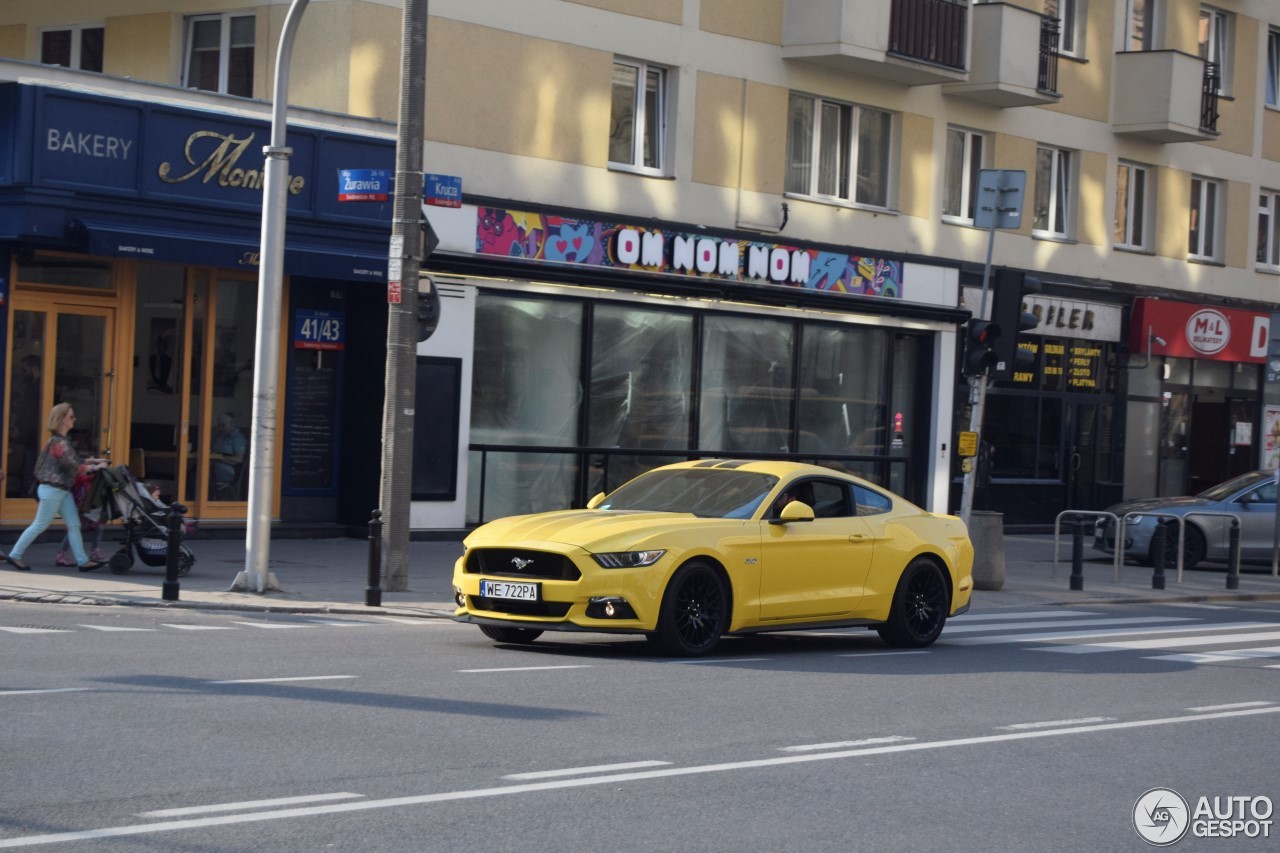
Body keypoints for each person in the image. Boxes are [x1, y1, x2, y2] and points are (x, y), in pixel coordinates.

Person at [5, 403, 108, 572]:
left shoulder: (58, 442)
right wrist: (95, 467)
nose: (74, 419)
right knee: (40, 525)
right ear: (61, 420)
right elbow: (73, 467)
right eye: (71, 416)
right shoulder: (59, 443)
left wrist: (91, 462)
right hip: (53, 490)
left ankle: (83, 561)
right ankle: (15, 555)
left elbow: (70, 462)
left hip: (59, 490)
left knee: (74, 525)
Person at [209, 412, 247, 497]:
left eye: (223, 425)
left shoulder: (238, 438)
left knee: (198, 476)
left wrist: (220, 457)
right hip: (215, 466)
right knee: (194, 473)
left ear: (232, 424)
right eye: (219, 425)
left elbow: (239, 459)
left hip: (229, 471)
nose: (220, 428)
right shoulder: (221, 436)